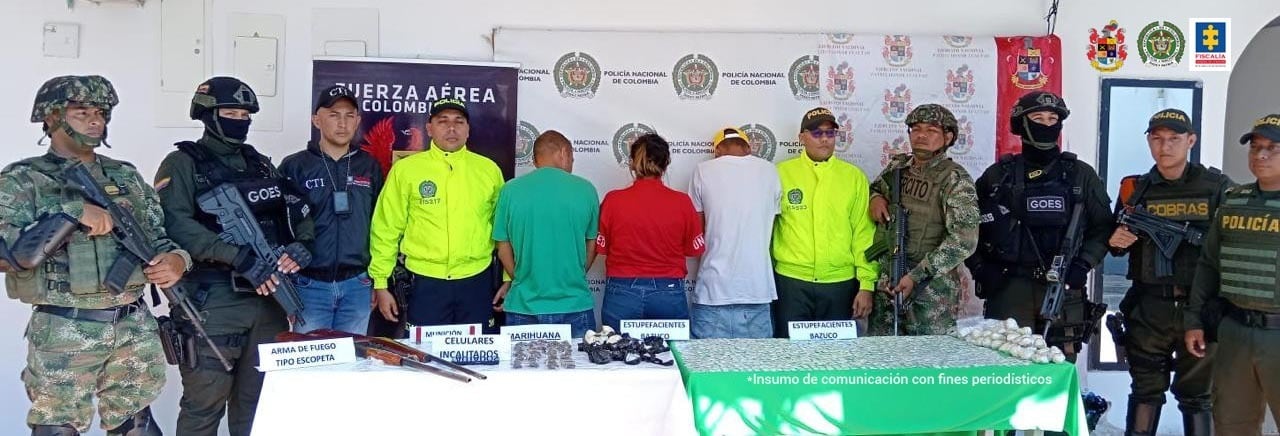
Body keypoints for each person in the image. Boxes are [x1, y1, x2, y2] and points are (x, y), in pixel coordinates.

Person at [1, 75, 185, 436]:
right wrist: (70, 214)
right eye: (81, 112)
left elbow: (159, 237)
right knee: (58, 427)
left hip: (133, 324)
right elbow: (8, 255)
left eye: (100, 112)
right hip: (65, 327)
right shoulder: (24, 180)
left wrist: (178, 261)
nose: (94, 120)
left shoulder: (125, 177)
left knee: (137, 424)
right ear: (51, 118)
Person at [154, 76, 313, 436]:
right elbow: (174, 224)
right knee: (204, 408)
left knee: (257, 407)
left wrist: (301, 245)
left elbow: (294, 208)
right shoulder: (181, 163)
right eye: (230, 111)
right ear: (207, 115)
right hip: (214, 303)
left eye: (244, 113)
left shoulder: (260, 165)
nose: (239, 119)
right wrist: (235, 256)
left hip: (269, 300)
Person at [1109, 109, 1230, 435]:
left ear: (1190, 140)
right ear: (1148, 141)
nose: (1165, 147)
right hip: (1150, 308)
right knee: (1146, 391)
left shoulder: (1217, 187)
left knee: (1197, 396)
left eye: (1174, 139)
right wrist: (1117, 242)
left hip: (1200, 308)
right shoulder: (1134, 189)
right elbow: (1117, 237)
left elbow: (1233, 245)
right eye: (1157, 138)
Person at [968, 91, 1112, 361]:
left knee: (1058, 365)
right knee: (1005, 367)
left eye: (1052, 118)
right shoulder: (998, 175)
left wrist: (1083, 264)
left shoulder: (1080, 174)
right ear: (1021, 124)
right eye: (1037, 118)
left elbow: (1103, 227)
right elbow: (965, 228)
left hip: (1063, 286)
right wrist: (979, 268)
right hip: (1011, 287)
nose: (1046, 124)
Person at [369, 98, 505, 330]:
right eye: (443, 121)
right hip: (424, 282)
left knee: (479, 358)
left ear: (468, 129)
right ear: (429, 128)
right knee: (425, 358)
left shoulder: (488, 170)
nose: (451, 128)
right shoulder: (407, 170)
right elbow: (386, 228)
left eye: (458, 122)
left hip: (476, 280)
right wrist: (381, 283)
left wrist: (507, 278)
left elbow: (504, 231)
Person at [1185, 113, 1280, 436]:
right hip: (1236, 332)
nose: (1261, 155)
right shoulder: (1234, 201)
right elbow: (1209, 265)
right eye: (1255, 147)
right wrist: (1194, 320)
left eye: (1272, 148)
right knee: (1231, 425)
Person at [866, 104, 979, 336]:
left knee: (929, 361)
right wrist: (876, 197)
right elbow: (875, 187)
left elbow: (964, 240)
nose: (921, 136)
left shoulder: (955, 180)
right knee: (881, 357)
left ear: (948, 137)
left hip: (930, 289)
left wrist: (916, 276)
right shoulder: (898, 167)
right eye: (915, 129)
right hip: (890, 281)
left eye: (931, 130)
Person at [279, 85, 383, 334]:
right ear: (316, 119)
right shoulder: (295, 166)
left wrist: (377, 281)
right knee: (311, 365)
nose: (342, 123)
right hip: (309, 284)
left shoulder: (369, 166)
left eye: (349, 116)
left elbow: (382, 225)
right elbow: (279, 224)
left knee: (353, 364)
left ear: (358, 121)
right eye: (334, 115)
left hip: (357, 284)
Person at [772, 107, 877, 338]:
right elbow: (765, 231)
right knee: (789, 356)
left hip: (839, 283)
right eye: (817, 133)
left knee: (835, 359)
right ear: (801, 138)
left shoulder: (853, 177)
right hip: (791, 282)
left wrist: (867, 284)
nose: (825, 140)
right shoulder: (780, 174)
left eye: (830, 133)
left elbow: (864, 234)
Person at [491, 130, 599, 338]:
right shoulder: (586, 189)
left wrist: (521, 278)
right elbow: (591, 244)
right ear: (564, 152)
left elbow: (502, 247)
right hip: (574, 303)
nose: (571, 163)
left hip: (524, 304)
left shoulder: (510, 190)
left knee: (523, 370)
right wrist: (575, 274)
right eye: (572, 158)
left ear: (535, 159)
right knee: (580, 370)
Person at [597, 133, 704, 331]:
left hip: (621, 290)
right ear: (666, 164)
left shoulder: (613, 200)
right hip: (668, 291)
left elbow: (601, 248)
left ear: (632, 164)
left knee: (616, 358)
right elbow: (694, 250)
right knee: (672, 356)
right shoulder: (682, 202)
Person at [687, 127, 781, 339]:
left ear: (718, 150)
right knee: (754, 371)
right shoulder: (770, 171)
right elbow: (771, 224)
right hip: (757, 291)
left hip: (713, 291)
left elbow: (697, 232)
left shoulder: (703, 170)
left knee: (707, 370)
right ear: (748, 148)